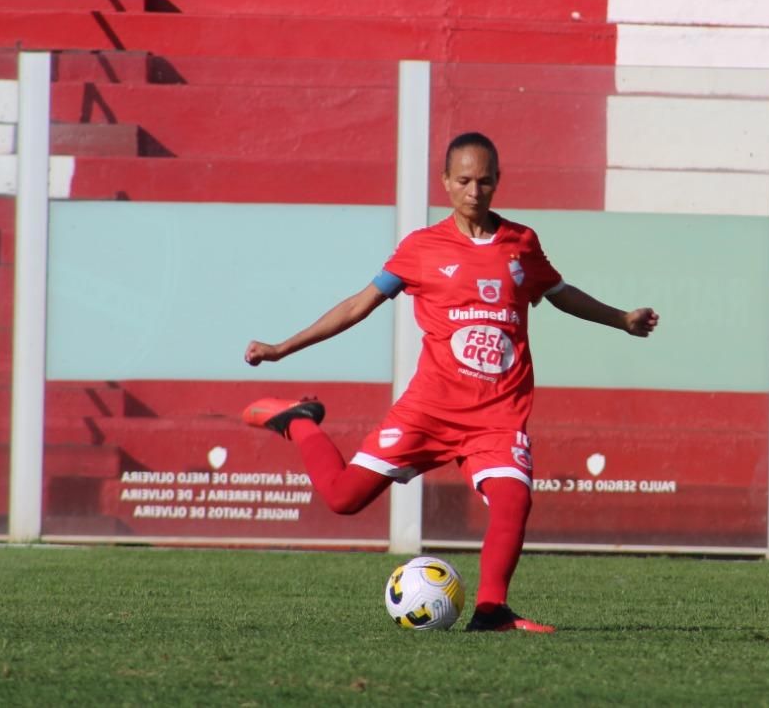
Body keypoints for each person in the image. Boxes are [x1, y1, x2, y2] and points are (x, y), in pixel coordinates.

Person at [242, 132, 659, 632]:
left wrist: (622, 319)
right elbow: (358, 305)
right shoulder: (421, 248)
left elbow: (562, 293)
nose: (474, 191)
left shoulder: (521, 244)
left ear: (498, 182)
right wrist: (282, 347)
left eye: (485, 181)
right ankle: (300, 422)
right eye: (463, 180)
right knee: (343, 499)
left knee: (514, 498)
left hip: (496, 415)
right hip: (430, 410)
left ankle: (491, 611)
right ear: (445, 182)